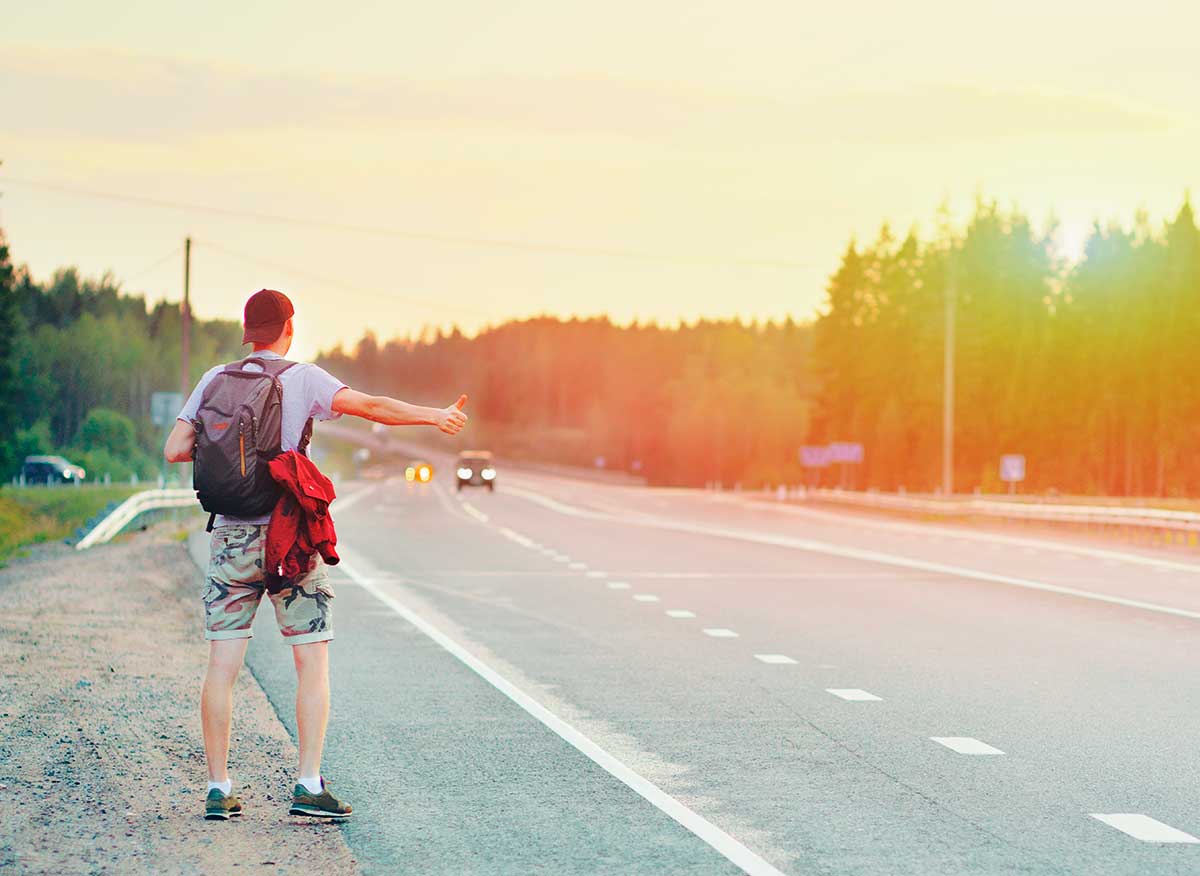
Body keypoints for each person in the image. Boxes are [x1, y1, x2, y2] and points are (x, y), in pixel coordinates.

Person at [164, 288, 468, 821]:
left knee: (222, 665)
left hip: (231, 538)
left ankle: (218, 789)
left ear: (247, 333)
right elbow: (372, 407)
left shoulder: (214, 379)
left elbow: (174, 449)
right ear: (289, 328)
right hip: (289, 539)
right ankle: (307, 784)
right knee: (311, 661)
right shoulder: (302, 378)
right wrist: (433, 416)